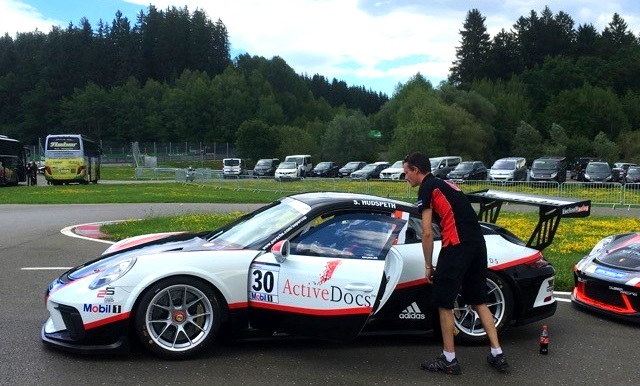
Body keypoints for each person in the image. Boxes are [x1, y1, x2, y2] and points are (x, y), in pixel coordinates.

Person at [402, 152, 509, 375]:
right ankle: (497, 353)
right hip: (477, 244)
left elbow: (428, 232)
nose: (405, 178)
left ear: (415, 170)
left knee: (444, 303)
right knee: (479, 300)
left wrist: (428, 266)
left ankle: (449, 359)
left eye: (406, 173)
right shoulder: (445, 183)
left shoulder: (427, 187)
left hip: (456, 244)